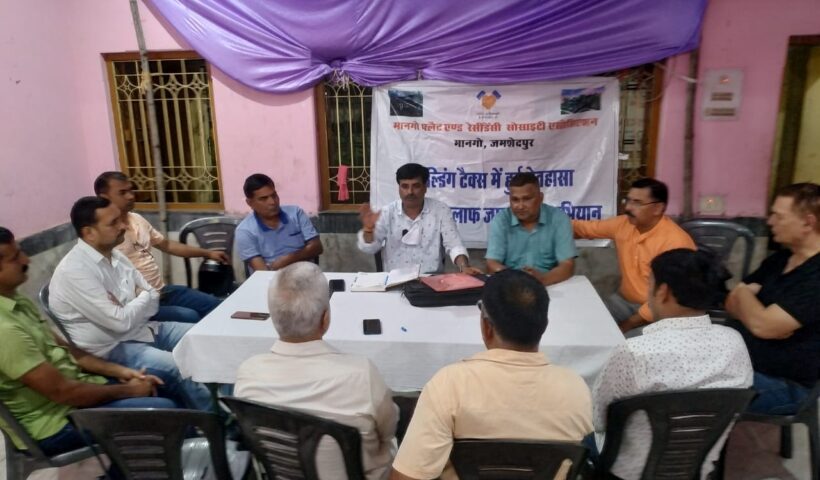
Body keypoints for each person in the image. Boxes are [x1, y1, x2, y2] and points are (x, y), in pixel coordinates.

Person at [390, 269, 592, 480]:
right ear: (544, 325)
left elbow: (405, 478)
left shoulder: (449, 386)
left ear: (486, 326)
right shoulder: (576, 390)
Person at [0, 226, 174, 456]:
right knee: (165, 413)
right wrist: (129, 391)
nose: (26, 260)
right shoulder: (5, 330)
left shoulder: (17, 302)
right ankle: (169, 462)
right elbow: (63, 392)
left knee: (161, 380)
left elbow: (70, 351)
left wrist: (121, 372)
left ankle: (147, 464)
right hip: (57, 424)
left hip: (77, 392)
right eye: (15, 258)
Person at [592, 249, 753, 480]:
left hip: (629, 472)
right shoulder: (735, 342)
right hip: (696, 468)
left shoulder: (635, 352)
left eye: (650, 284)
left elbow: (599, 419)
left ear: (663, 291)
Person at [235, 262, 398, 480]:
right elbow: (388, 431)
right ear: (325, 319)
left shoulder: (248, 374)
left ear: (273, 318)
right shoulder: (361, 375)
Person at [48, 196, 212, 411]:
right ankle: (217, 422)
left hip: (142, 329)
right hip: (111, 349)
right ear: (89, 233)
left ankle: (229, 404)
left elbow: (153, 299)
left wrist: (135, 302)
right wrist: (141, 297)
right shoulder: (75, 271)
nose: (123, 226)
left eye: (120, 220)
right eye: (113, 223)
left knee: (205, 338)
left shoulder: (116, 255)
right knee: (178, 366)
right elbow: (120, 322)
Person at [726, 182, 820, 415]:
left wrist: (745, 294)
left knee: (690, 392)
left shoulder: (816, 274)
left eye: (779, 216)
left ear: (808, 223)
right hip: (743, 365)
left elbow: (763, 326)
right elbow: (730, 303)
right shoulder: (781, 259)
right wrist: (756, 315)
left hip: (788, 386)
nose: (770, 222)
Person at [94, 171, 224, 324]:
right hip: (138, 304)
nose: (130, 196)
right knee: (190, 316)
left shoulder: (137, 219)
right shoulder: (103, 234)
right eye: (122, 193)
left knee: (216, 305)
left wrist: (208, 253)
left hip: (162, 291)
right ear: (104, 197)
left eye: (131, 190)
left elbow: (167, 245)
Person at [573, 178, 695, 333]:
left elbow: (671, 297)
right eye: (628, 200)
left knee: (625, 344)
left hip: (661, 312)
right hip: (623, 301)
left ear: (658, 208)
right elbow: (584, 228)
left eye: (637, 203)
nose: (628, 208)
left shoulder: (676, 242)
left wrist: (628, 325)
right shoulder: (623, 224)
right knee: (583, 324)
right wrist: (551, 221)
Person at [358, 163, 479, 274]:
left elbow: (454, 244)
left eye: (416, 186)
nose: (410, 192)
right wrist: (368, 230)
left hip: (432, 281)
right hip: (395, 281)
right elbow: (370, 248)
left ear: (425, 187)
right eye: (405, 186)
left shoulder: (440, 210)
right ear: (399, 188)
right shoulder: (387, 212)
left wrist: (464, 266)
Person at [486, 172, 576, 285]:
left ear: (540, 198)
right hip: (510, 285)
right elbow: (492, 263)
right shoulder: (501, 220)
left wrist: (542, 280)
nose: (520, 206)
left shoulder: (559, 218)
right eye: (515, 200)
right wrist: (516, 278)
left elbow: (567, 265)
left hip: (550, 283)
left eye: (527, 199)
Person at [236, 173, 324, 272]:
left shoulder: (295, 213)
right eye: (263, 199)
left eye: (274, 195)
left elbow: (317, 247)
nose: (272, 202)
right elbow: (262, 272)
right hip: (272, 278)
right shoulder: (245, 230)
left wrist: (287, 260)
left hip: (305, 273)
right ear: (250, 203)